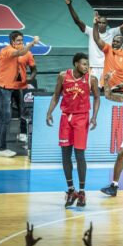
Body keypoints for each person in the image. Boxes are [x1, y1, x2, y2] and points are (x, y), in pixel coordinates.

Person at [46, 53, 100, 208]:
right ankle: (71, 190)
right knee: (65, 155)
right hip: (65, 118)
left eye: (87, 64)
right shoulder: (63, 76)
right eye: (83, 64)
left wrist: (94, 117)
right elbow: (56, 95)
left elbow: (97, 98)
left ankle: (82, 192)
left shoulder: (92, 79)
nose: (86, 66)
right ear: (76, 64)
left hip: (82, 118)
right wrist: (49, 112)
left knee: (79, 154)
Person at [0, 31, 39, 157]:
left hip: (15, 87)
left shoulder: (27, 53)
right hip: (1, 87)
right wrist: (32, 43)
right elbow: (15, 55)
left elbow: (34, 69)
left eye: (22, 40)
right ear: (12, 41)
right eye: (18, 40)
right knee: (6, 117)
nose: (21, 42)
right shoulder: (6, 51)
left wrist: (28, 80)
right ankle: (1, 149)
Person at [65, 0, 123, 86]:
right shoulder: (91, 31)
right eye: (99, 22)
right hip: (94, 67)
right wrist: (69, 5)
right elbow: (77, 21)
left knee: (107, 91)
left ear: (107, 24)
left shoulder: (113, 32)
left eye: (103, 23)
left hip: (108, 68)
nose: (101, 24)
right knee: (92, 91)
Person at [93, 12, 123, 91]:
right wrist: (95, 24)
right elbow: (97, 39)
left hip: (122, 89)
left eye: (117, 42)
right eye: (114, 41)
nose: (114, 43)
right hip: (106, 88)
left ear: (122, 44)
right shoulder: (108, 49)